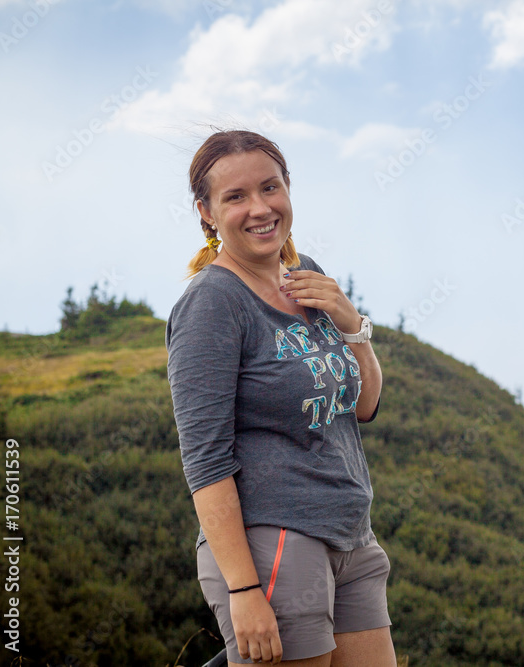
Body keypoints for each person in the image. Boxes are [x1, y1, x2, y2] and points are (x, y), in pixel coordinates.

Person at [164, 129, 396, 666]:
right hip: (276, 545)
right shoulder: (212, 304)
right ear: (207, 211)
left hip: (353, 537)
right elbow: (205, 461)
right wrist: (244, 591)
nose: (260, 208)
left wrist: (351, 324)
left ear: (288, 187)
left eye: (270, 187)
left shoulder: (305, 275)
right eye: (236, 197)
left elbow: (363, 406)